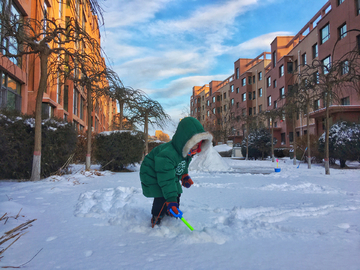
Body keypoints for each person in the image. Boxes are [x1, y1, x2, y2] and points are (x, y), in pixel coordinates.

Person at [139, 117, 213, 227]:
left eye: (198, 145)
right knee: (162, 195)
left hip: (166, 173)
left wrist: (184, 175)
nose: (195, 149)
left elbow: (182, 165)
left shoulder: (186, 152)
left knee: (176, 190)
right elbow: (166, 180)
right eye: (193, 145)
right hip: (152, 174)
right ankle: (156, 216)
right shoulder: (168, 155)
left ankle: (171, 210)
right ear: (184, 141)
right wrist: (170, 200)